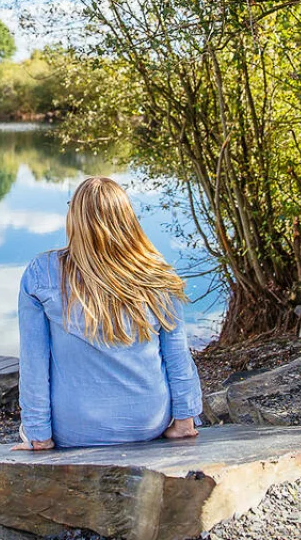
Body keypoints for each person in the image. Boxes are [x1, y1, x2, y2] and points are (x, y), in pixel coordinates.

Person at [13, 175, 203, 451]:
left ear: (75, 218)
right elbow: (177, 355)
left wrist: (38, 436)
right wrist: (184, 422)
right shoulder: (156, 274)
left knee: (31, 424)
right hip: (148, 422)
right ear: (126, 218)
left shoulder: (42, 272)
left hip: (76, 428)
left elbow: (34, 363)